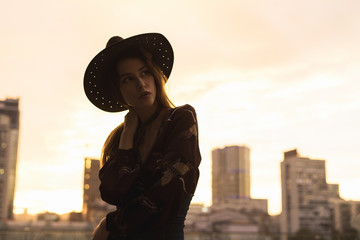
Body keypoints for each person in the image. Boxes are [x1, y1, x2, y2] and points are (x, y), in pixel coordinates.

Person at [83, 33, 201, 240]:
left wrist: (110, 224)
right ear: (118, 91)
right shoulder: (119, 138)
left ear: (155, 76)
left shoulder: (181, 119)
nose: (140, 83)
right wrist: (127, 137)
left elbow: (168, 193)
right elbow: (112, 193)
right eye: (128, 79)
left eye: (144, 73)